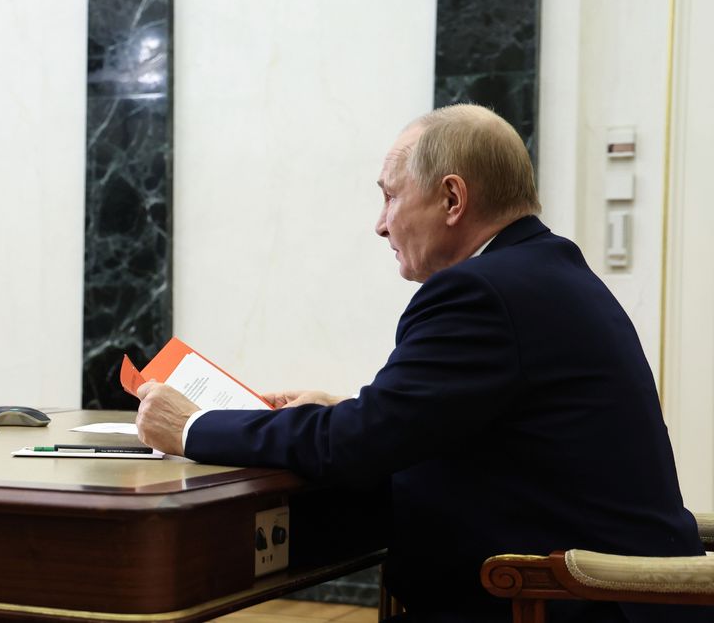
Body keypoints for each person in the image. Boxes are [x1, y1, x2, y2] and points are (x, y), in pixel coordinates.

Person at [133, 105, 708, 623]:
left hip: (560, 605)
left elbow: (355, 446)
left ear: (453, 199)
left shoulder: (481, 292)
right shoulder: (544, 270)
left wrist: (191, 426)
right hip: (602, 598)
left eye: (389, 196)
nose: (380, 224)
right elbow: (471, 424)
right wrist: (348, 410)